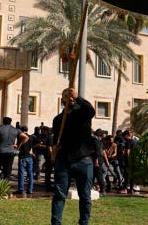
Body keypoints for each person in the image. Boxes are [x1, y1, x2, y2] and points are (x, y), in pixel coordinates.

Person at [51, 88, 96, 225]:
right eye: (66, 96)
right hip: (64, 161)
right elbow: (55, 141)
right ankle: (56, 223)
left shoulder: (82, 113)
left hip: (84, 160)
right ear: (62, 99)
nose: (69, 98)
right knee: (59, 195)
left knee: (85, 197)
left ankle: (84, 222)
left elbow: (91, 110)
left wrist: (78, 97)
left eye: (71, 96)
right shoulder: (58, 119)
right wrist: (55, 149)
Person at [0, 116, 28, 181]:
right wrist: (18, 145)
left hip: (1, 151)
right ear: (10, 122)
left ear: (3, 121)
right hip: (11, 151)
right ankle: (5, 186)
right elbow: (26, 137)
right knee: (8, 171)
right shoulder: (15, 130)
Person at [14, 125, 34, 196]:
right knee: (30, 174)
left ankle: (21, 189)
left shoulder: (20, 137)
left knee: (21, 174)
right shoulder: (31, 137)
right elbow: (31, 147)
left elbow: (18, 146)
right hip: (29, 157)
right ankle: (30, 189)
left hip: (23, 156)